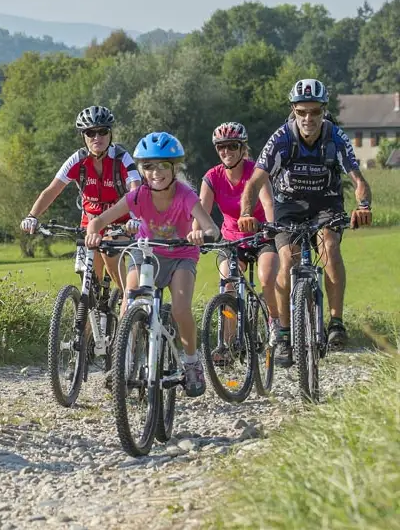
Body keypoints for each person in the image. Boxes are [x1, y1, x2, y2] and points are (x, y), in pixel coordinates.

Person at [237, 79, 372, 365]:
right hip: (289, 205)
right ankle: (284, 334)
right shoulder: (282, 138)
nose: (308, 119)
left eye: (314, 112)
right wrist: (246, 212)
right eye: (302, 112)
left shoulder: (335, 136)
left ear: (324, 111)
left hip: (327, 202)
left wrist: (363, 205)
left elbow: (357, 179)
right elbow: (255, 181)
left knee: (330, 248)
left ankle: (336, 323)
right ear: (293, 111)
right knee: (287, 260)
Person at [86, 132, 219, 398]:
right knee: (129, 301)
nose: (155, 172)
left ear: (174, 168)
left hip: (180, 255)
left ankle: (192, 363)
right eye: (148, 166)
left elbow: (212, 229)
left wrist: (199, 234)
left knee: (181, 308)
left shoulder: (185, 195)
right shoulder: (137, 196)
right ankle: (124, 362)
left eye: (162, 165)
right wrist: (93, 232)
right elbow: (98, 220)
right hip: (145, 253)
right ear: (142, 170)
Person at [21, 105, 141, 289]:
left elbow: (136, 190)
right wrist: (32, 216)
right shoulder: (77, 160)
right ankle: (90, 312)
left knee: (109, 253)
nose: (97, 138)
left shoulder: (122, 158)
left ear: (110, 134)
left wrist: (135, 219)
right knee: (90, 278)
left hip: (120, 222)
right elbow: (52, 190)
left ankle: (129, 300)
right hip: (90, 222)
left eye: (102, 131)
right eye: (90, 133)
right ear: (83, 136)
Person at [196, 122, 281, 357]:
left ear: (242, 148)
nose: (227, 151)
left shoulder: (256, 172)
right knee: (228, 283)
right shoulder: (212, 177)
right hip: (233, 241)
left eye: (232, 146)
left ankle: (275, 322)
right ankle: (227, 344)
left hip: (263, 236)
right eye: (221, 147)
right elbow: (201, 210)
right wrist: (196, 233)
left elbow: (267, 202)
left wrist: (271, 227)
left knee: (266, 279)